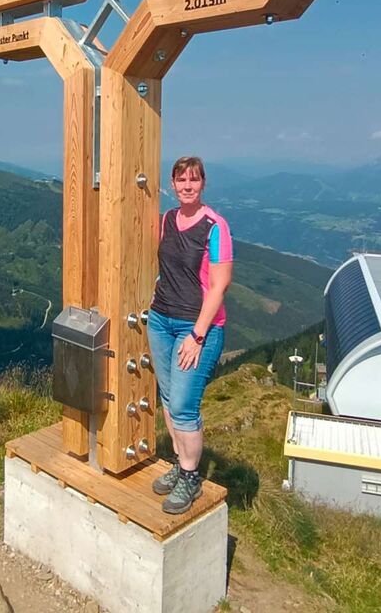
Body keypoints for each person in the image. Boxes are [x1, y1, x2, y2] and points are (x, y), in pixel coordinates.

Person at [147, 155, 233, 514]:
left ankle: (191, 477)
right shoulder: (167, 220)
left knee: (184, 406)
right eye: (181, 180)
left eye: (193, 180)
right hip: (160, 320)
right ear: (172, 184)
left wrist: (197, 336)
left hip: (197, 328)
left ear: (203, 183)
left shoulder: (215, 226)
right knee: (169, 400)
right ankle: (181, 463)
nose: (187, 186)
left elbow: (219, 285)